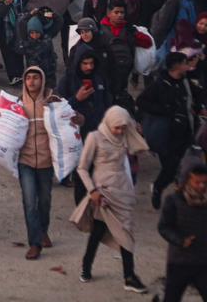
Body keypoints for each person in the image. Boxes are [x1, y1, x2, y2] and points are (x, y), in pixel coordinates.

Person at [0, 67, 82, 260]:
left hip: (46, 162)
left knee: (44, 200)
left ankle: (43, 230)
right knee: (30, 202)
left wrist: (77, 118)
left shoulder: (54, 102)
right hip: (25, 161)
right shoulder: (17, 103)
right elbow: (0, 124)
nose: (31, 81)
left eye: (35, 78)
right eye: (28, 78)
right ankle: (35, 243)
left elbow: (76, 119)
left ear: (43, 80)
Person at [70, 106, 149, 293]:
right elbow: (82, 168)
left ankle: (129, 276)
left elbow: (141, 150)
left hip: (123, 192)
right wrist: (92, 191)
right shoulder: (95, 137)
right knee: (98, 231)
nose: (119, 131)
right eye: (117, 128)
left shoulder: (124, 136)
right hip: (103, 193)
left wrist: (138, 134)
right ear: (108, 122)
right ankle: (86, 266)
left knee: (127, 234)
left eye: (123, 127)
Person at [137, 52, 206, 210]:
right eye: (184, 63)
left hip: (186, 131)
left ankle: (182, 199)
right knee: (171, 167)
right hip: (166, 134)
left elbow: (199, 93)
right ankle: (158, 188)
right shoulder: (159, 85)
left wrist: (198, 107)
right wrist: (165, 110)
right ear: (176, 66)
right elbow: (141, 101)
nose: (187, 66)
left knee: (186, 167)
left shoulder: (186, 81)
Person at [56, 44, 112, 203]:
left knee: (98, 173)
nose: (89, 67)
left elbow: (108, 102)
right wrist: (77, 99)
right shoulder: (67, 80)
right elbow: (57, 109)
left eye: (91, 63)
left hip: (99, 134)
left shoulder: (100, 78)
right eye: (85, 63)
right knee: (82, 174)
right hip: (77, 137)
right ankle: (81, 209)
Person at [157, 158, 207, 302]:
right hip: (180, 262)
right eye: (197, 182)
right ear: (186, 180)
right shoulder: (174, 200)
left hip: (204, 262)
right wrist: (180, 240)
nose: (202, 186)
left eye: (204, 182)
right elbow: (164, 227)